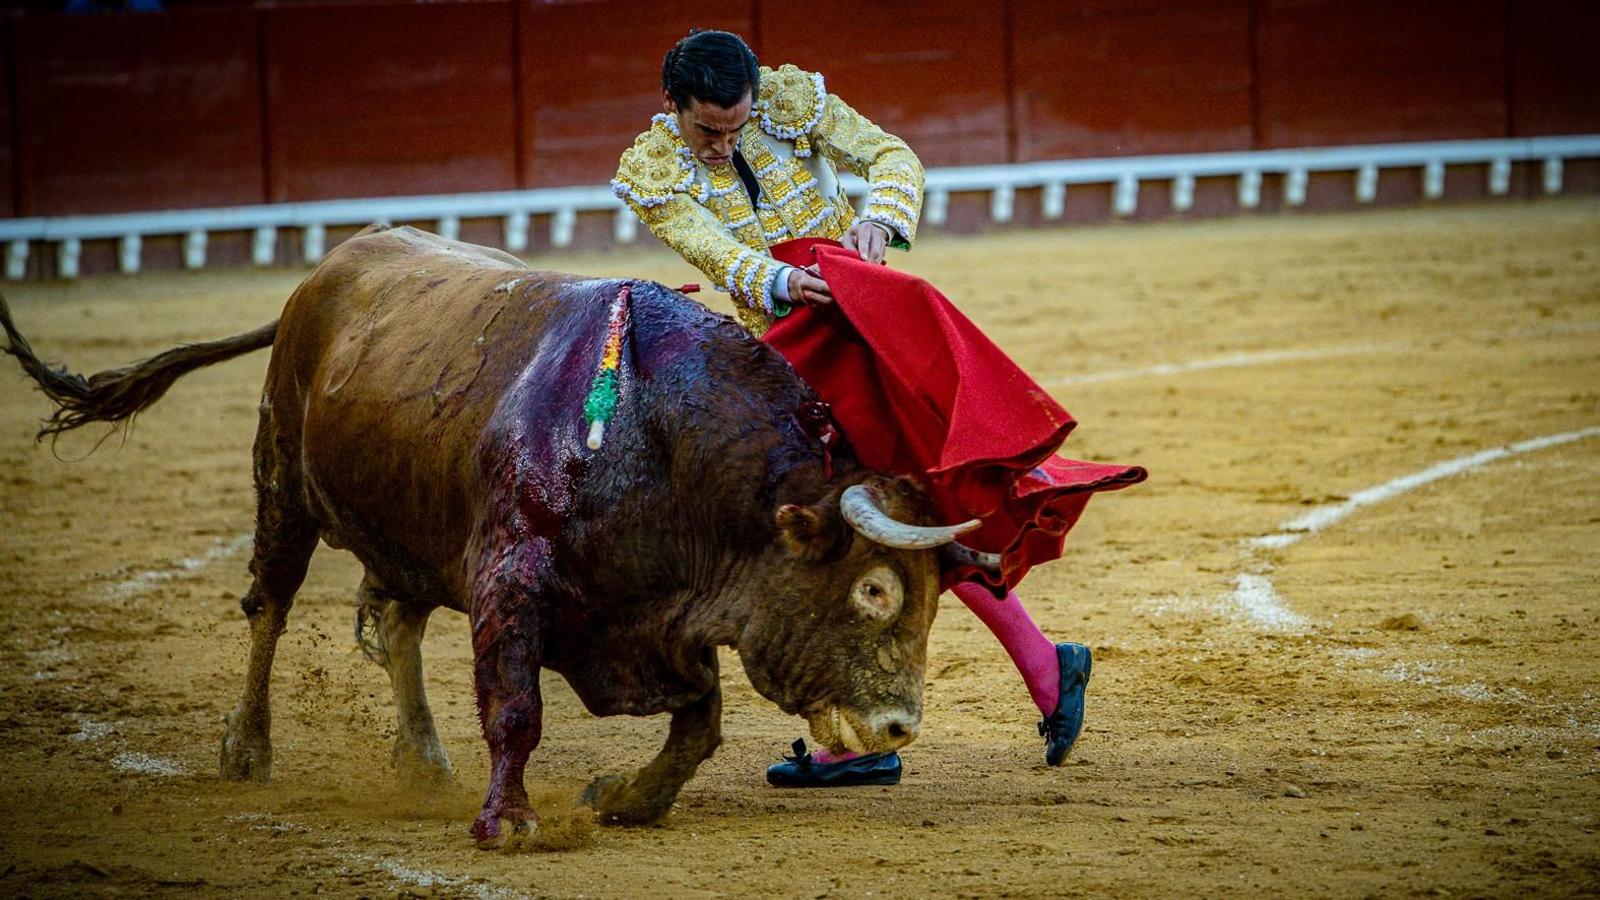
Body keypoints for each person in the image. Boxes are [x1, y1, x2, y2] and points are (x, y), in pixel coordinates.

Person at [613, 30, 1140, 787]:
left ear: (756, 99)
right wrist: (779, 281)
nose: (723, 145)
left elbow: (891, 156)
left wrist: (878, 221)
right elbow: (710, 249)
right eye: (708, 131)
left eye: (737, 127)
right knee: (890, 518)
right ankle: (1034, 672)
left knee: (893, 512)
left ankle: (875, 732)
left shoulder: (790, 104)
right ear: (672, 106)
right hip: (786, 357)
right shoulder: (654, 169)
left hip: (865, 330)